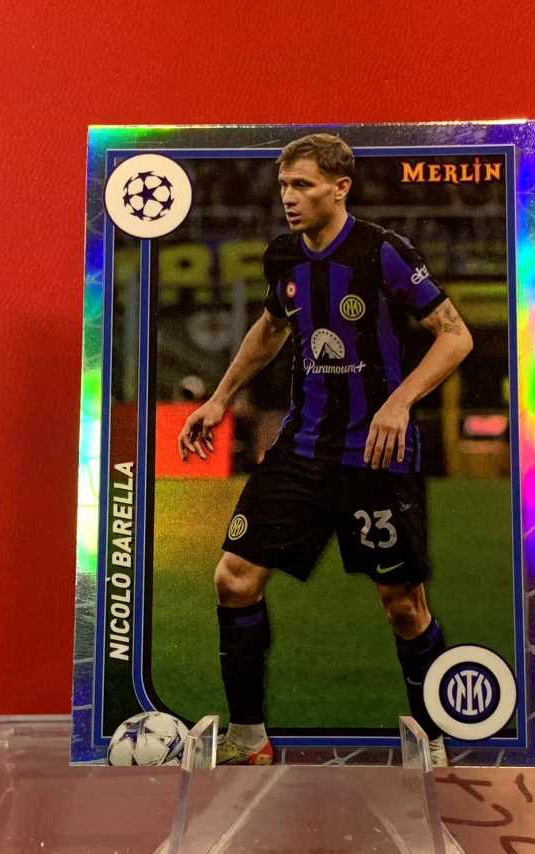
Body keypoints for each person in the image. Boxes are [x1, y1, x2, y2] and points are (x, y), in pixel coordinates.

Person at [178, 133, 473, 767]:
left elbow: (455, 337)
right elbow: (271, 327)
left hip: (377, 455)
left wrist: (399, 402)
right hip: (302, 450)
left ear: (340, 189)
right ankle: (249, 737)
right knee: (234, 579)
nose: (288, 197)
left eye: (303, 185)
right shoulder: (283, 256)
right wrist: (221, 398)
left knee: (404, 608)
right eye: (284, 185)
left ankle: (435, 740)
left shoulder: (384, 252)